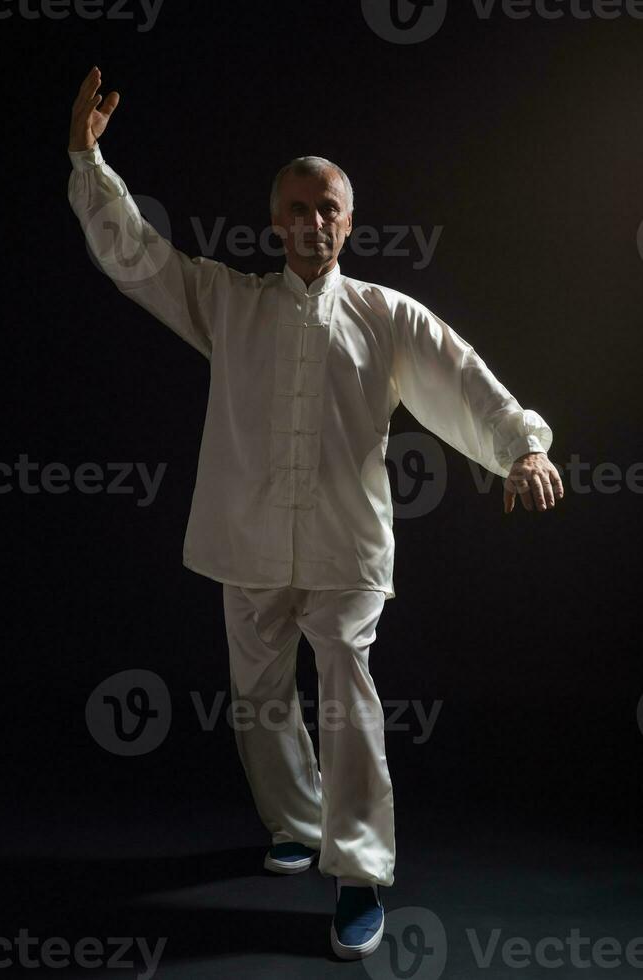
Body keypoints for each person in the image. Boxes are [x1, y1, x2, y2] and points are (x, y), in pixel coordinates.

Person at [67, 66, 564, 961]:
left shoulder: (385, 315)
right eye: (297, 207)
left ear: (347, 219)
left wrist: (520, 443)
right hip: (246, 541)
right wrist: (88, 161)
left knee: (348, 699)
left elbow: (464, 376)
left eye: (327, 206)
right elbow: (139, 256)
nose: (312, 221)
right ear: (274, 221)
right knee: (258, 701)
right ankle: (295, 822)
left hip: (344, 550)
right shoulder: (230, 302)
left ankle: (362, 871)